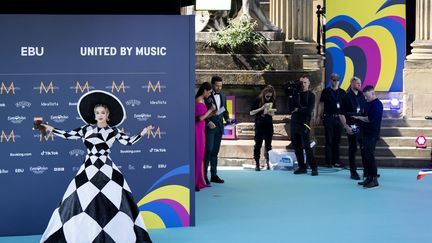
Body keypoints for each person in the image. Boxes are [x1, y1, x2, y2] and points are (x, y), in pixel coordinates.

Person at [39, 90, 153, 243]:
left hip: (108, 169)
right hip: (88, 169)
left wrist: (143, 132)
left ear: (107, 115)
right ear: (94, 115)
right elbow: (67, 134)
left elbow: (129, 142)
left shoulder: (113, 131)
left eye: (103, 112)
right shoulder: (86, 129)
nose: (100, 115)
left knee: (115, 202)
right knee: (78, 201)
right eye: (97, 112)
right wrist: (50, 128)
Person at [352, 85, 383, 188]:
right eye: (365, 96)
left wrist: (359, 118)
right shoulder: (367, 103)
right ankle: (368, 177)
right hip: (365, 133)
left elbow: (369, 119)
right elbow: (363, 114)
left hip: (372, 134)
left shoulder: (377, 105)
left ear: (373, 93)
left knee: (370, 156)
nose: (365, 98)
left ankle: (374, 179)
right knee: (365, 156)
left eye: (367, 96)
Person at [315, 73, 346, 169]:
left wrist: (345, 120)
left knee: (337, 140)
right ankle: (328, 161)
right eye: (333, 79)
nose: (335, 81)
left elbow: (345, 107)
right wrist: (318, 115)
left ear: (339, 81)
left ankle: (336, 160)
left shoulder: (342, 92)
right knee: (329, 139)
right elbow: (321, 104)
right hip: (328, 117)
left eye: (336, 79)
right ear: (330, 80)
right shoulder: (326, 91)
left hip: (339, 117)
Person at [289, 74, 318, 176]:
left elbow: (309, 110)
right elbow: (290, 108)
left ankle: (314, 167)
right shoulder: (295, 94)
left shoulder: (311, 95)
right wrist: (292, 95)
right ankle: (302, 167)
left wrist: (298, 110)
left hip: (304, 123)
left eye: (305, 82)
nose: (303, 85)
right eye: (301, 83)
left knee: (307, 147)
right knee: (297, 147)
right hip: (294, 123)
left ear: (309, 83)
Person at [204, 75, 231, 184]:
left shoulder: (223, 96)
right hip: (209, 127)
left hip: (219, 127)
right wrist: (208, 122)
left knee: (215, 152)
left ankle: (214, 175)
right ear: (212, 85)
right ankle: (204, 175)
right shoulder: (206, 97)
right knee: (208, 151)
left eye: (221, 86)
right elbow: (201, 112)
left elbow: (224, 110)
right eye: (217, 86)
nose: (219, 88)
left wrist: (228, 119)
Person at [339, 77, 366, 180]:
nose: (359, 85)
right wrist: (346, 126)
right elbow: (341, 114)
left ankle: (367, 171)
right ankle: (353, 172)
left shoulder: (362, 96)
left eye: (360, 83)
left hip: (362, 126)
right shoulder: (346, 97)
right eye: (357, 83)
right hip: (352, 126)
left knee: (364, 149)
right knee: (353, 149)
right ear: (352, 83)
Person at [250, 85, 277, 171]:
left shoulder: (273, 100)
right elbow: (251, 112)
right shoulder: (258, 100)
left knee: (268, 144)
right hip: (259, 124)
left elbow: (274, 113)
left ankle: (268, 162)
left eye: (270, 96)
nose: (269, 98)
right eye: (267, 96)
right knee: (258, 144)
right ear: (264, 94)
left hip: (268, 124)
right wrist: (261, 108)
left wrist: (269, 112)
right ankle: (257, 163)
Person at [195, 82, 216, 191]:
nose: (209, 94)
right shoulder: (198, 100)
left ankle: (200, 180)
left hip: (201, 130)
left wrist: (212, 113)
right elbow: (200, 118)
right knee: (198, 155)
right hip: (197, 131)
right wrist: (210, 110)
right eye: (209, 92)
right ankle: (196, 182)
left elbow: (204, 116)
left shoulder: (202, 100)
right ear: (204, 91)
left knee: (201, 155)